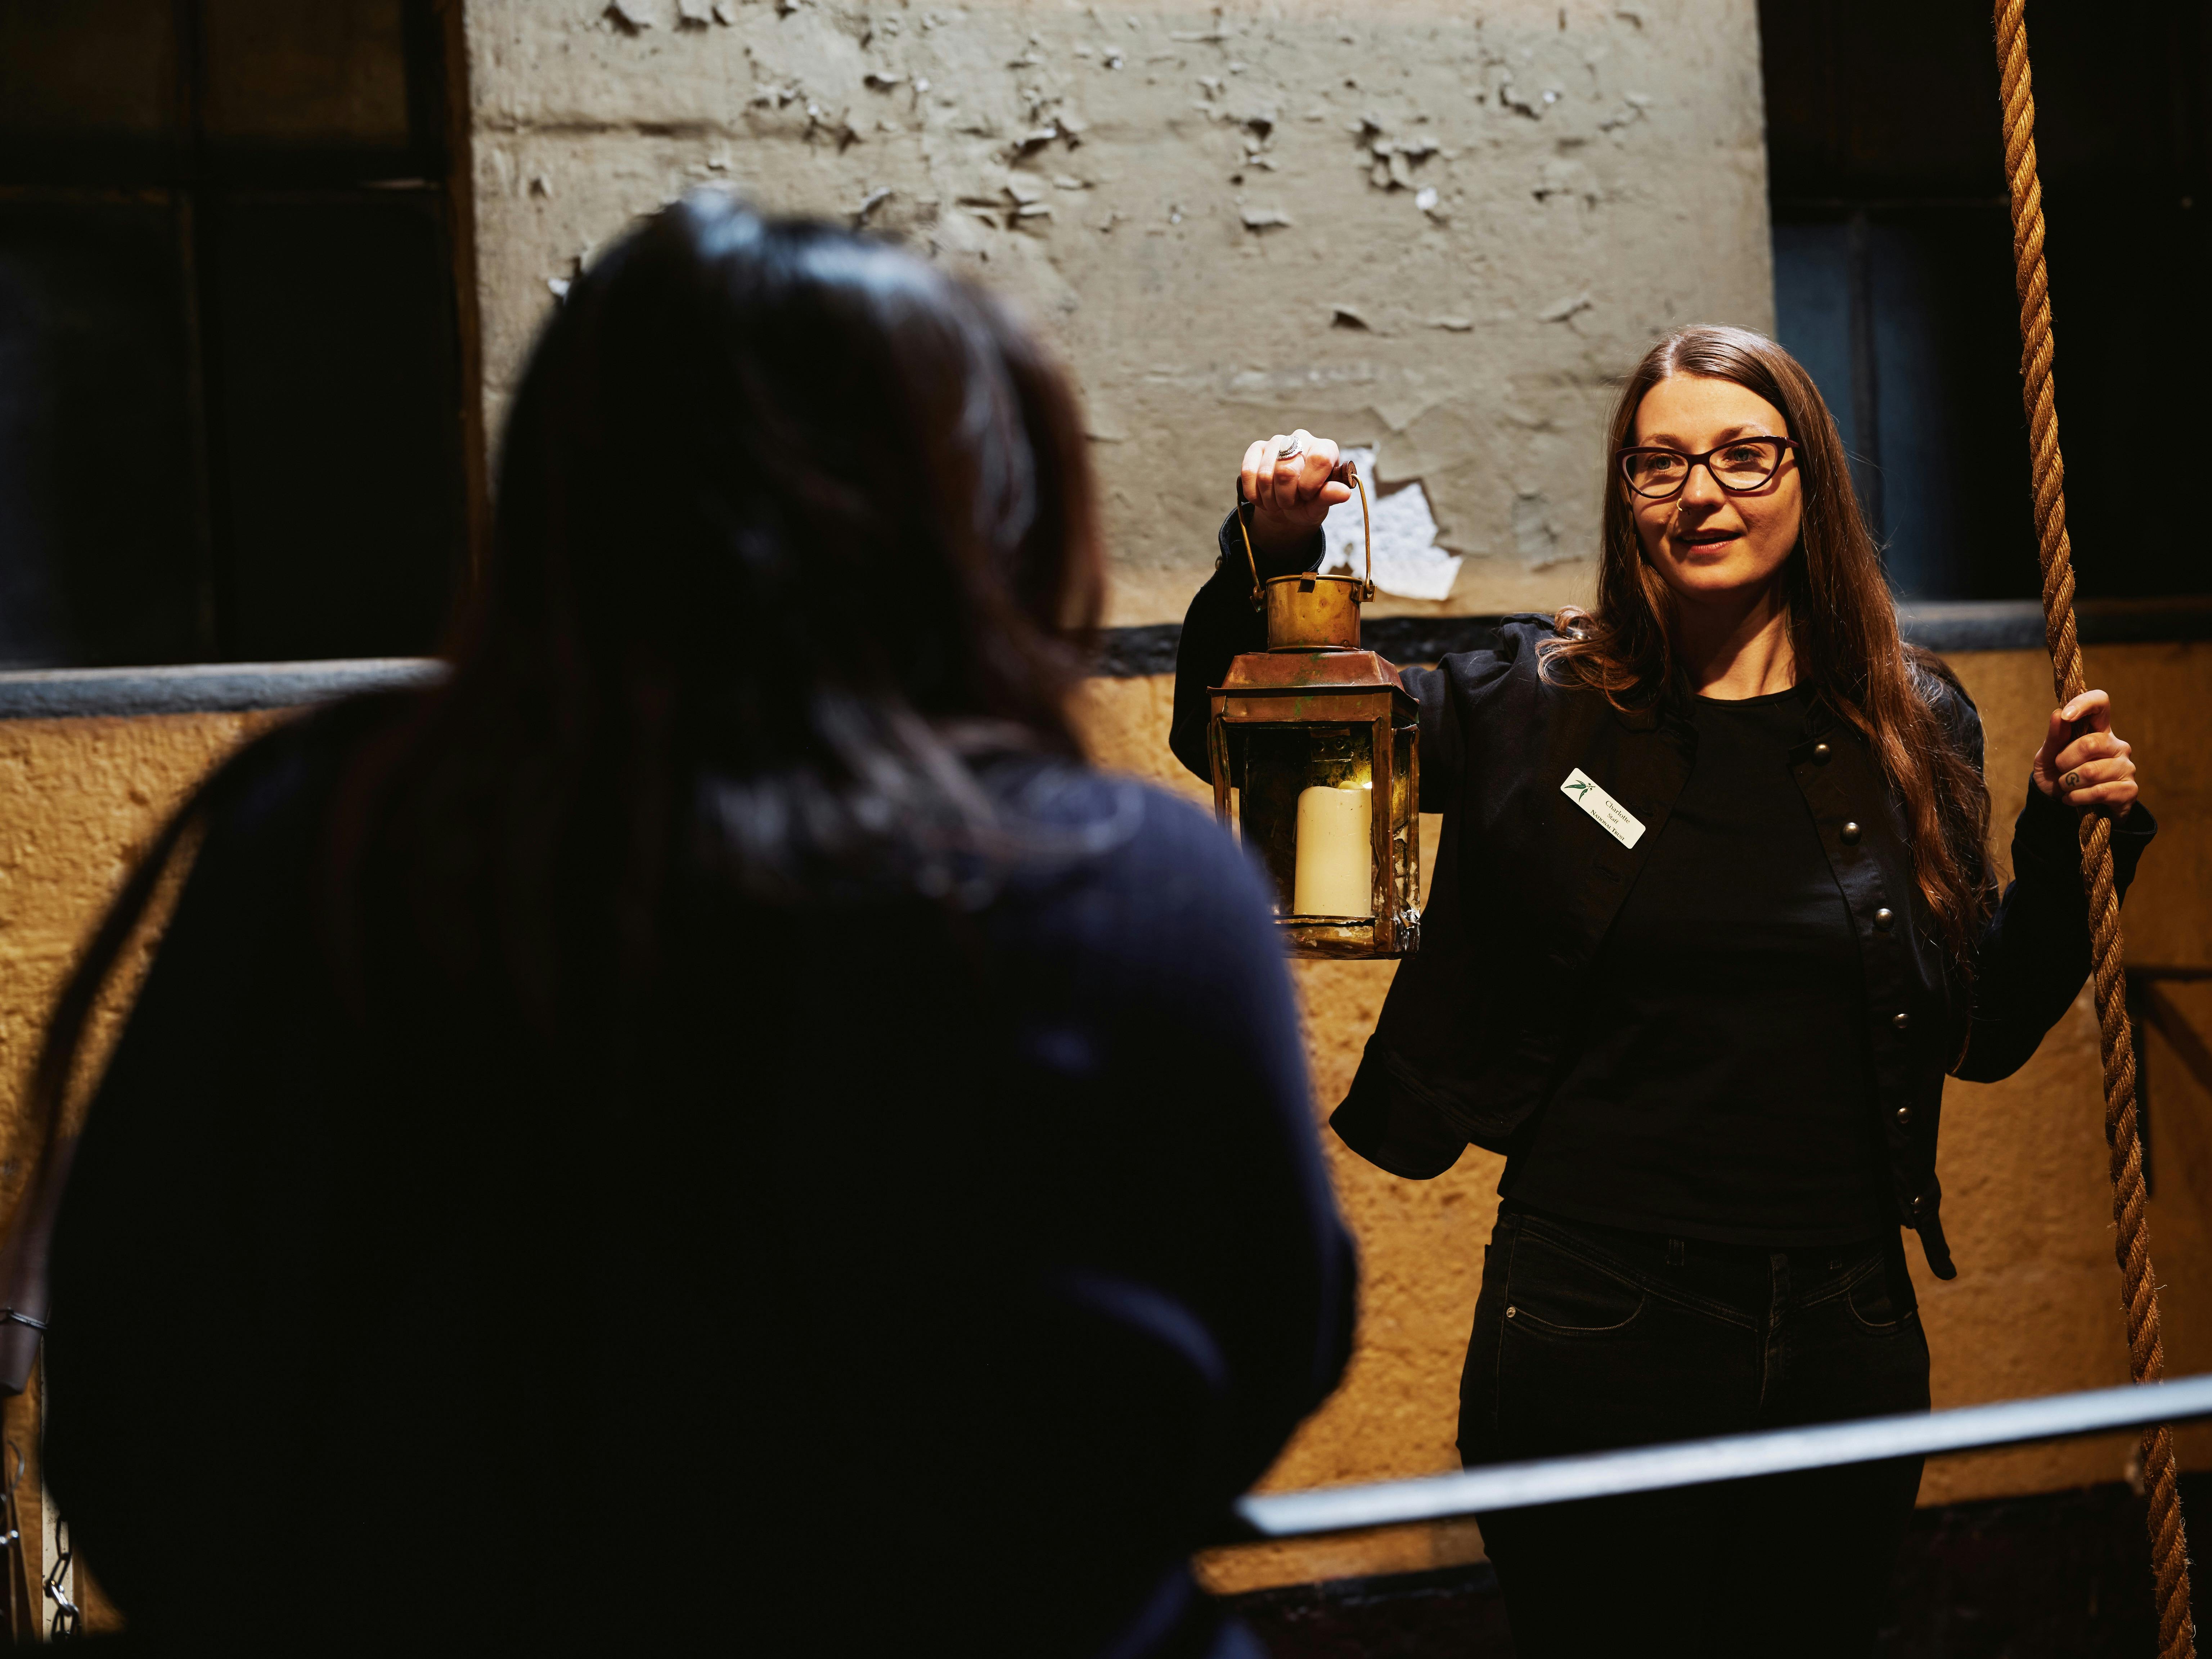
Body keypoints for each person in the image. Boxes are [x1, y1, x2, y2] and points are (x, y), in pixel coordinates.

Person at [22, 193, 1355, 1655]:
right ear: (974, 520)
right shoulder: (1133, 881)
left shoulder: (324, 837)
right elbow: (1262, 1352)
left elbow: (133, 1425)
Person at [1169, 324, 2154, 1657]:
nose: (1704, 494)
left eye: (1747, 457)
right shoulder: (1538, 700)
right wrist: (1276, 559)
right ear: (1626, 495)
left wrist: (2066, 847)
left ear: (1813, 479)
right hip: (1595, 1318)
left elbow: (1978, 1030)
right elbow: (1251, 744)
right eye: (1661, 465)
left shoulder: (1912, 723)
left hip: (1847, 1325)